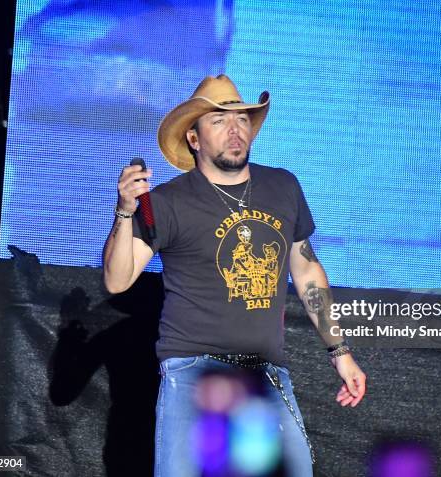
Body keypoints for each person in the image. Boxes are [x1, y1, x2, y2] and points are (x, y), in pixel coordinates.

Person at [102, 74, 367, 477]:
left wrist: (340, 351)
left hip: (264, 373)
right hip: (193, 373)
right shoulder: (166, 202)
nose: (234, 130)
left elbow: (307, 269)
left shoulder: (282, 186)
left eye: (242, 120)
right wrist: (125, 211)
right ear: (194, 138)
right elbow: (118, 280)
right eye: (219, 121)